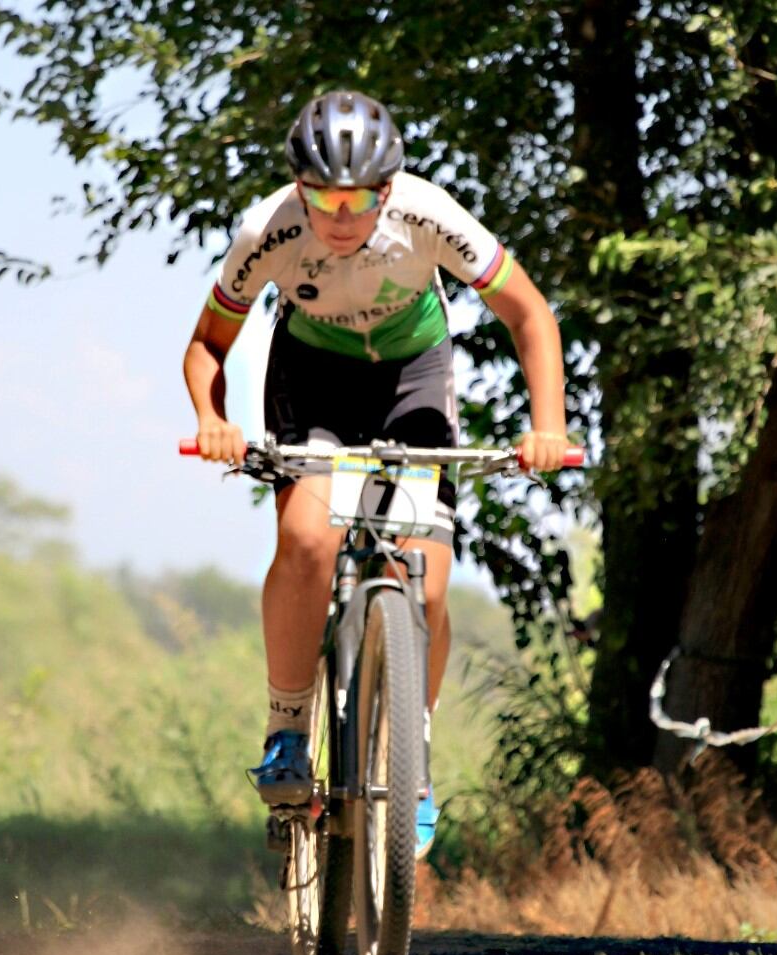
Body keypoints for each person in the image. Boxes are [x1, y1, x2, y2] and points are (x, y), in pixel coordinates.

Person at [183, 90, 569, 858]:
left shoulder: (431, 216)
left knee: (427, 579)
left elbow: (529, 315)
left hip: (411, 379)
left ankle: (411, 754)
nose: (338, 214)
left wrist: (548, 424)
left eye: (357, 198)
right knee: (306, 539)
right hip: (313, 378)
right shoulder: (270, 230)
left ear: (386, 189)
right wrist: (212, 419)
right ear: (299, 187)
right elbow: (206, 345)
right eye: (321, 195)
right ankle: (289, 728)